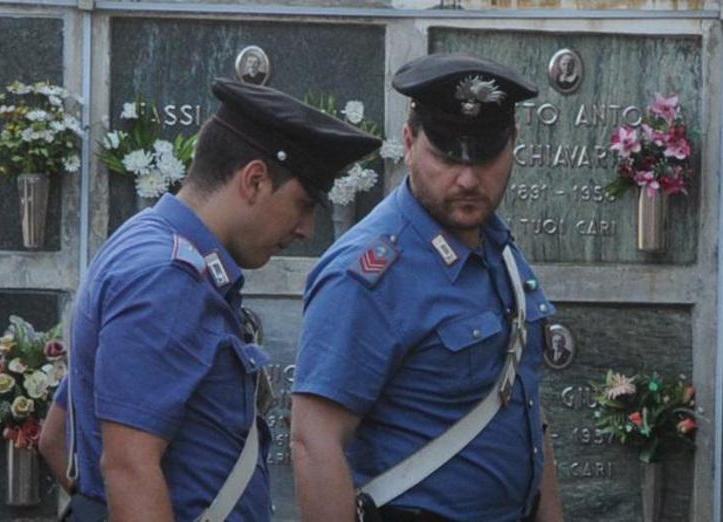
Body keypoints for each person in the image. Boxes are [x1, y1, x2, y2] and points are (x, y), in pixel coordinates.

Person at [38, 78, 381, 522]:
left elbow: (57, 439)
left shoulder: (146, 243)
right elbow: (129, 467)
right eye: (302, 203)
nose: (306, 230)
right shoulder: (166, 279)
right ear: (255, 180)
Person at [291, 53, 565, 522]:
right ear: (409, 141)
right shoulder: (368, 273)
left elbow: (523, 403)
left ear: (514, 143)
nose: (467, 179)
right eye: (445, 155)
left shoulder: (497, 248)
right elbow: (314, 441)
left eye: (486, 157)